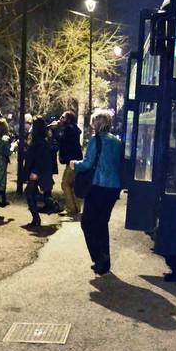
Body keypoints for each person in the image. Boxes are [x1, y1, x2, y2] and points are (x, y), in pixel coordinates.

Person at [70, 110, 123, 276]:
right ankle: (104, 261)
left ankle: (98, 258)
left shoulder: (95, 140)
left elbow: (87, 164)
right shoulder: (116, 141)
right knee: (101, 223)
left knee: (87, 223)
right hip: (113, 187)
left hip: (98, 185)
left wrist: (74, 164)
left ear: (97, 124)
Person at [24, 117, 56, 227]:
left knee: (29, 194)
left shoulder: (39, 141)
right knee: (30, 193)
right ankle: (38, 216)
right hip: (40, 171)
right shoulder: (44, 140)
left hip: (37, 171)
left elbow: (39, 158)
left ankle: (46, 205)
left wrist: (35, 172)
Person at [54, 111, 84, 217]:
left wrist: (56, 128)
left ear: (68, 119)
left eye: (63, 117)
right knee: (72, 185)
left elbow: (60, 139)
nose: (60, 119)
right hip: (75, 160)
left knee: (65, 184)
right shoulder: (74, 129)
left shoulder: (68, 129)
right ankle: (76, 208)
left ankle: (71, 209)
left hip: (72, 161)